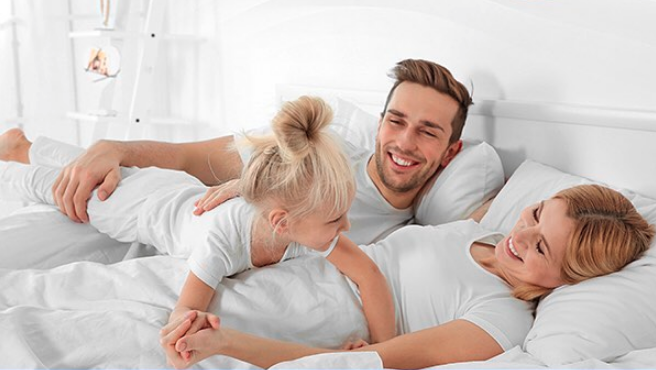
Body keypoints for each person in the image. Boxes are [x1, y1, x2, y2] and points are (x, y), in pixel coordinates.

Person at [0, 97, 396, 362]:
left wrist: (384, 353)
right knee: (62, 187)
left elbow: (371, 275)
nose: (346, 227)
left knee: (81, 175)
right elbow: (186, 310)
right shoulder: (223, 241)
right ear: (281, 222)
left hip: (188, 198)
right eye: (335, 220)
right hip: (150, 207)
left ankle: (22, 146)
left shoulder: (306, 226)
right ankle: (14, 155)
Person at [157, 184, 655, 369]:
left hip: (300, 319)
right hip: (282, 273)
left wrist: (226, 346)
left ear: (567, 279)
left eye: (542, 246)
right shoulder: (480, 230)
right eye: (535, 212)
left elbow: (358, 363)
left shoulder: (502, 320)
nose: (520, 236)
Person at [46, 58, 473, 245]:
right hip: (173, 220)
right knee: (82, 181)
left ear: (450, 153)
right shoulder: (321, 148)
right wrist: (114, 147)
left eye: (427, 132)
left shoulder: (411, 235)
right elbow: (192, 159)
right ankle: (25, 148)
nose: (404, 142)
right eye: (395, 121)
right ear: (380, 123)